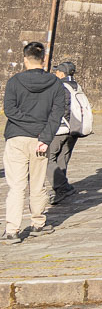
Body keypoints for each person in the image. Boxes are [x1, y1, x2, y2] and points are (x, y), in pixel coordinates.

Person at [3, 42, 69, 244]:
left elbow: (10, 110)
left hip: (16, 138)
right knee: (38, 184)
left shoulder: (14, 81)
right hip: (41, 140)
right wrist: (44, 135)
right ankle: (38, 223)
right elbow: (58, 112)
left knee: (16, 186)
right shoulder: (55, 83)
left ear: (25, 59)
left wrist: (31, 127)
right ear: (44, 60)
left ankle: (12, 230)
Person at [45, 62, 83, 204]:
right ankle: (60, 190)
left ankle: (63, 187)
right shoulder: (76, 86)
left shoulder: (59, 86)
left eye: (57, 72)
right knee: (62, 159)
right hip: (74, 129)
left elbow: (56, 109)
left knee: (47, 158)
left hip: (60, 128)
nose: (55, 74)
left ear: (61, 73)